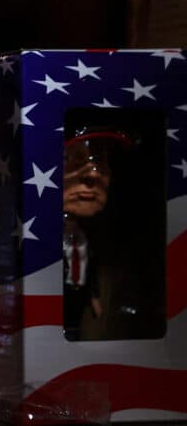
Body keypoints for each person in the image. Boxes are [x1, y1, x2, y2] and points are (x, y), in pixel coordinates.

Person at [61, 125, 130, 340]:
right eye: (75, 159)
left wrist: (93, 297)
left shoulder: (89, 237)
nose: (93, 175)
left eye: (101, 162)